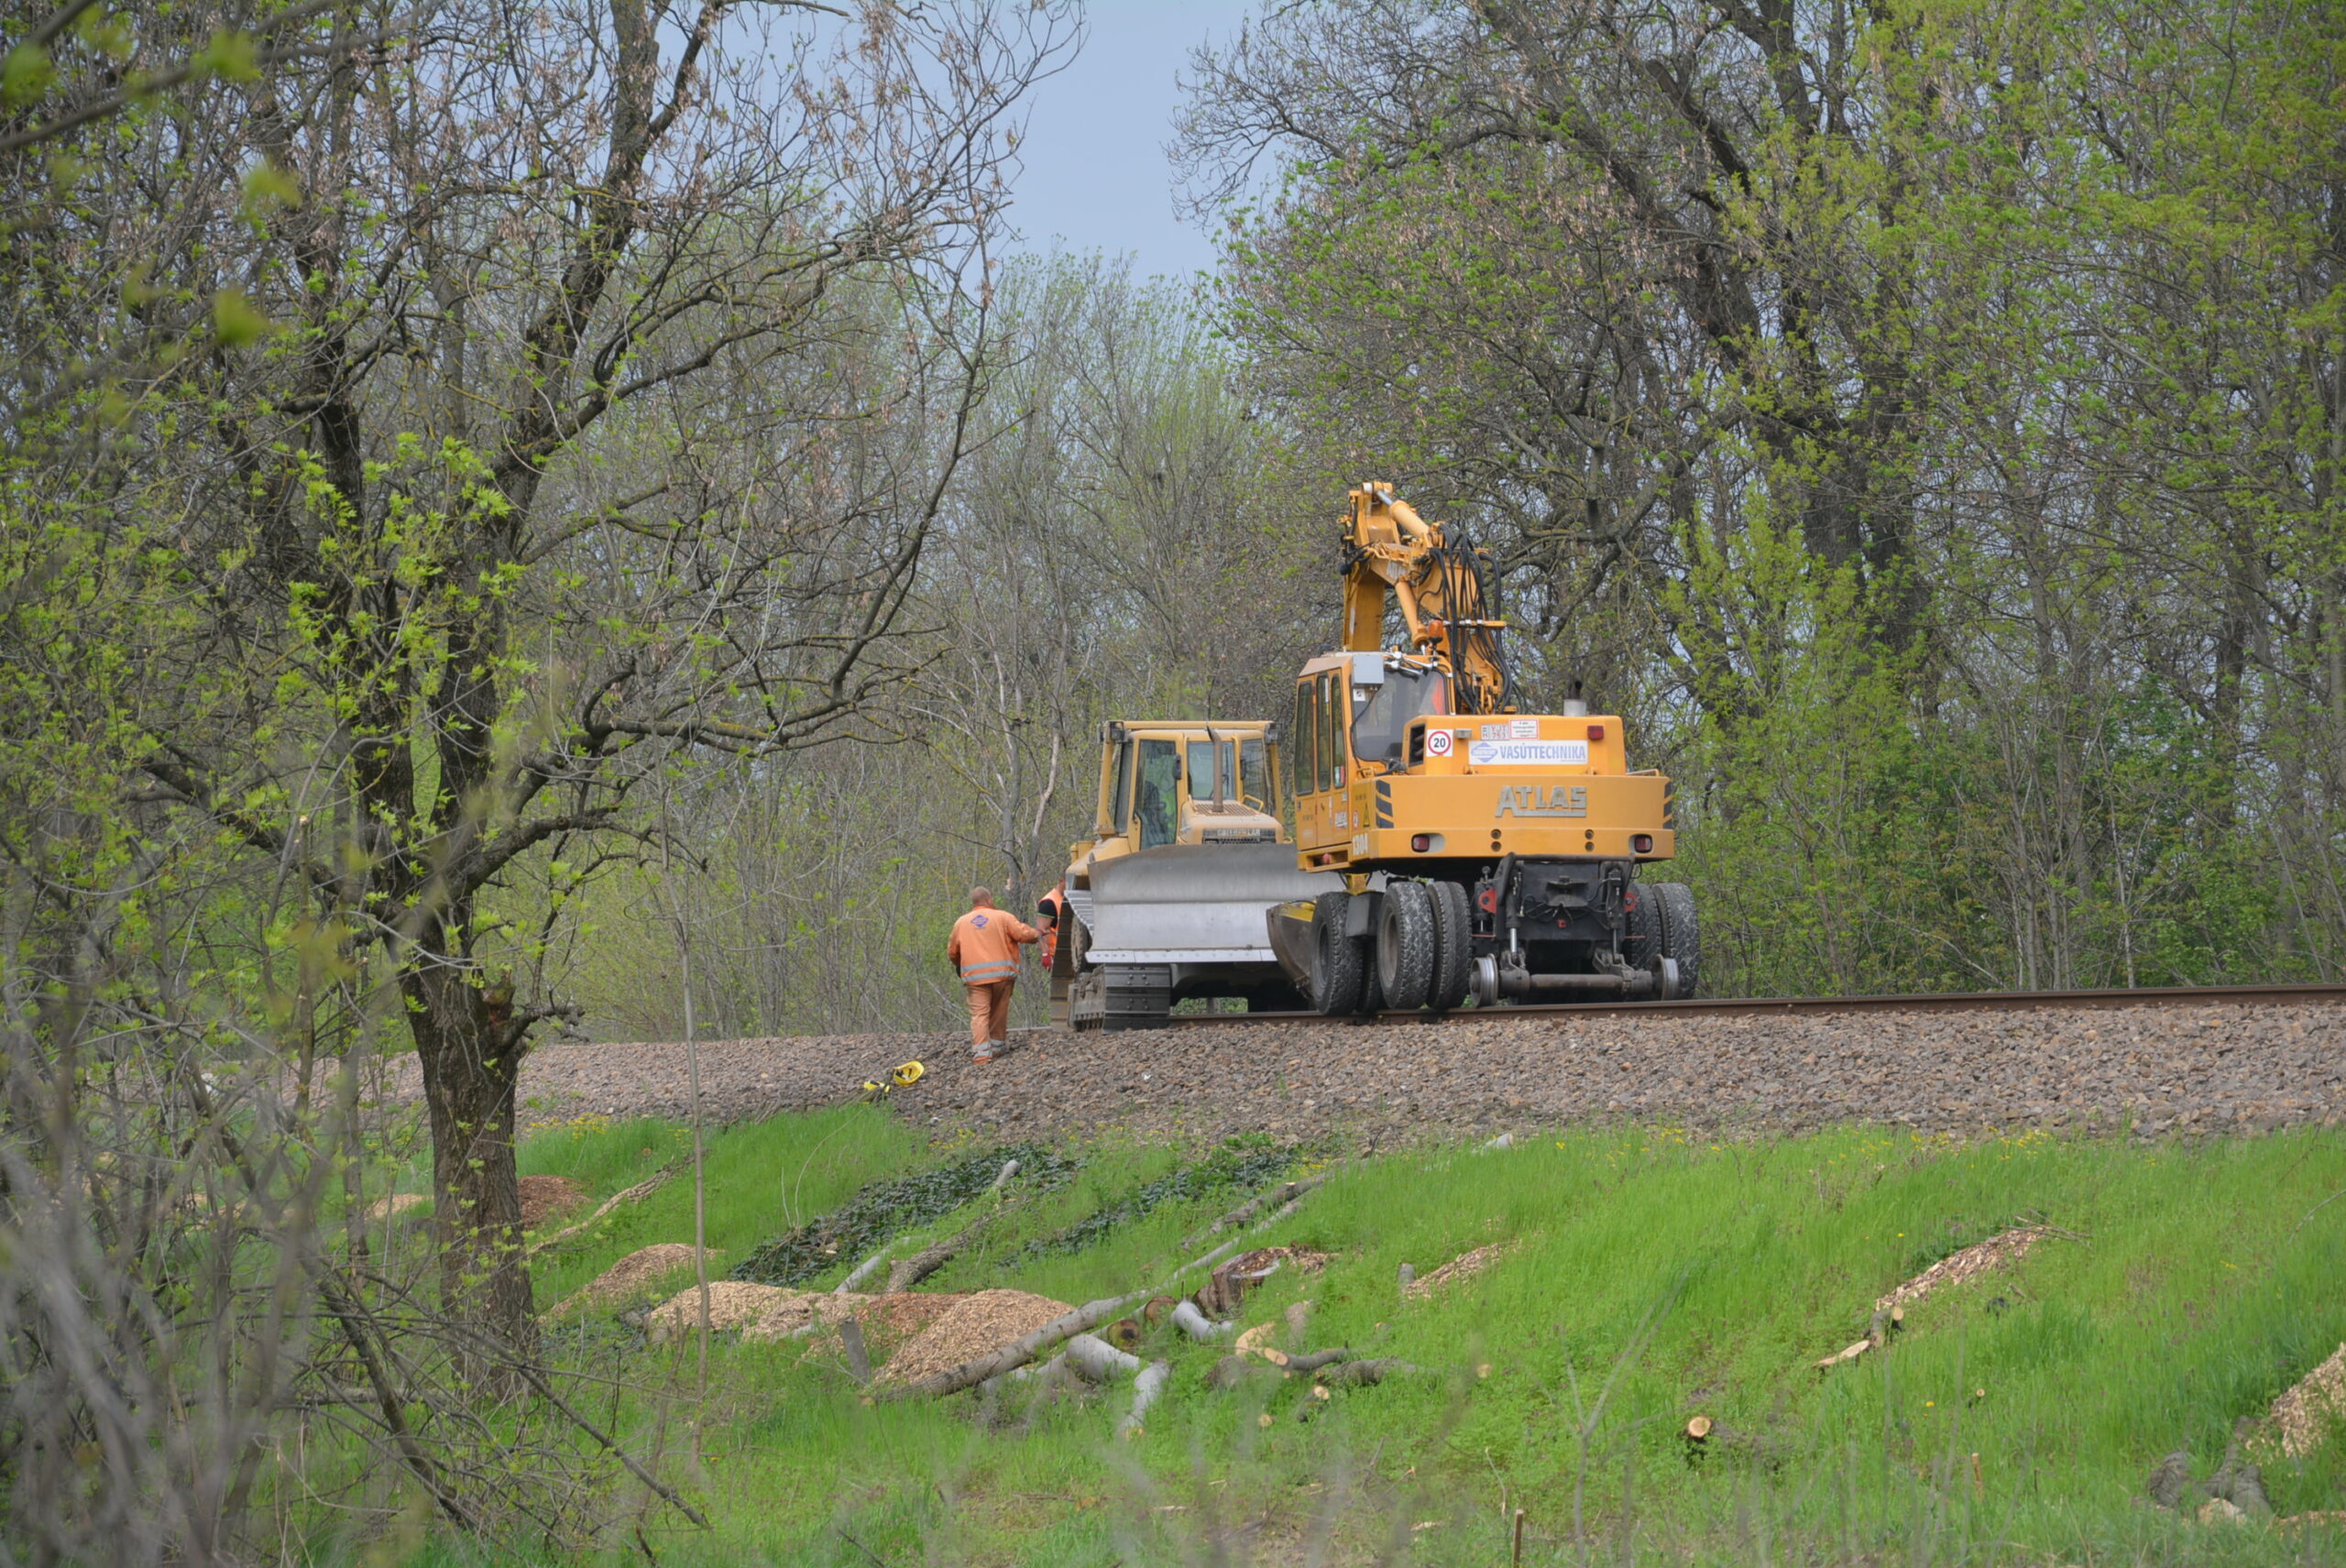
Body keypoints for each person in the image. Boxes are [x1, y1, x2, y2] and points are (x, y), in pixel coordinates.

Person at [947, 886, 1039, 1063]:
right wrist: (1038, 934)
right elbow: (1023, 934)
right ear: (989, 900)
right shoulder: (1003, 917)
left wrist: (959, 965)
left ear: (974, 902)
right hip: (1002, 976)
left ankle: (982, 1055)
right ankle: (997, 1048)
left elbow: (952, 952)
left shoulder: (961, 923)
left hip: (975, 978)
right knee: (999, 1010)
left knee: (980, 1014)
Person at [1036, 879, 1069, 972]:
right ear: (1061, 880)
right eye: (1069, 882)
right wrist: (1046, 953)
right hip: (1058, 955)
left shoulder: (1067, 898)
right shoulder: (1049, 902)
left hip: (1070, 952)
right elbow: (1041, 930)